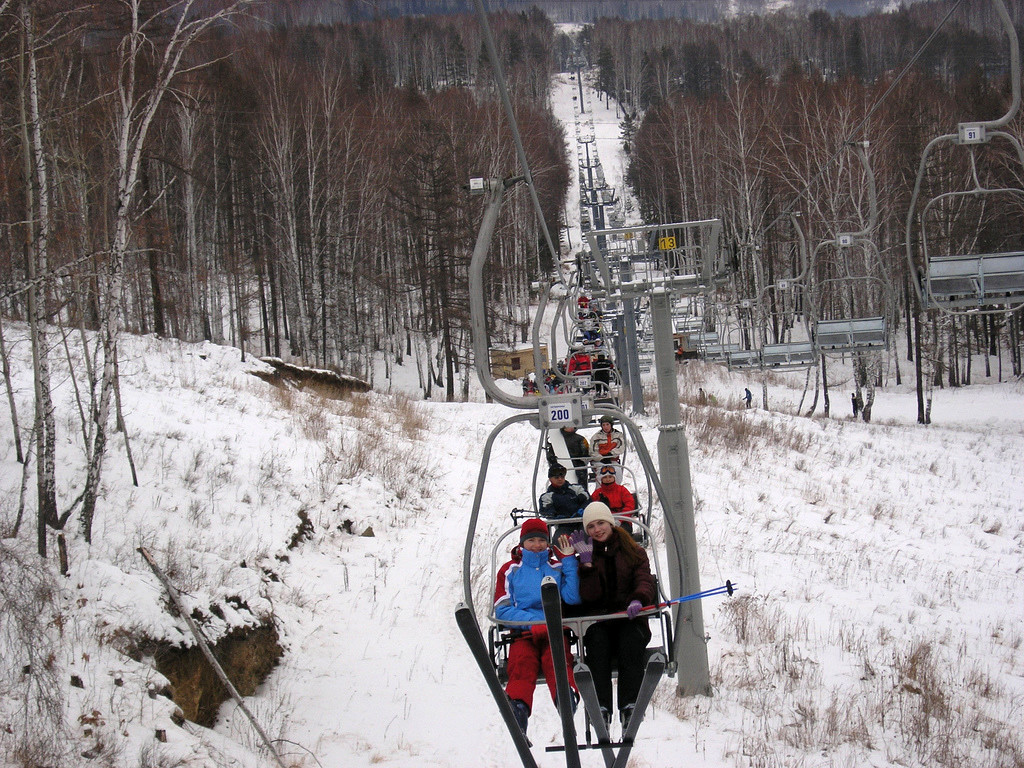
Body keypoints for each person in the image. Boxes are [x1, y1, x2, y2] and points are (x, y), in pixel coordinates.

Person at [568, 502, 656, 732]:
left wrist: (638, 598)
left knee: (630, 642)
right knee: (596, 646)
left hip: (629, 617)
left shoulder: (634, 552)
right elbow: (589, 596)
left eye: (600, 523)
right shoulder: (586, 556)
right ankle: (601, 708)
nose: (597, 530)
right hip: (601, 620)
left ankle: (630, 706)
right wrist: (586, 565)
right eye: (591, 527)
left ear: (611, 522)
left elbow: (644, 579)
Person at [494, 518, 582, 736]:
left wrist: (570, 561)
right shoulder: (510, 570)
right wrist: (532, 624)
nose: (537, 545)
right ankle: (518, 708)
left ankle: (565, 697)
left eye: (541, 540)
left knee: (557, 659)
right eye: (531, 540)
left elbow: (572, 598)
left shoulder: (556, 567)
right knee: (522, 662)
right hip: (523, 633)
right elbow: (502, 609)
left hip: (554, 629)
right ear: (522, 543)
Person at [539, 464, 589, 532]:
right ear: (550, 479)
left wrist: (582, 510)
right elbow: (546, 511)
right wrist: (556, 516)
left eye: (562, 477)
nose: (560, 479)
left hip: (582, 523)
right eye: (556, 477)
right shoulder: (547, 497)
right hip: (563, 527)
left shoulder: (577, 489)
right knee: (559, 540)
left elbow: (587, 501)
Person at [590, 464, 636, 530]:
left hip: (623, 520)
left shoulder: (622, 490)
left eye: (610, 477)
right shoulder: (597, 493)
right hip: (604, 520)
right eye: (605, 477)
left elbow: (630, 504)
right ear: (601, 479)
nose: (608, 479)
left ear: (614, 478)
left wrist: (620, 519)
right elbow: (592, 506)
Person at [559, 425, 591, 491]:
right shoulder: (558, 440)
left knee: (581, 475)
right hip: (562, 464)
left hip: (578, 463)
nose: (571, 427)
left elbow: (587, 452)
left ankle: (583, 492)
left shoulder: (580, 439)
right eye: (568, 426)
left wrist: (584, 457)